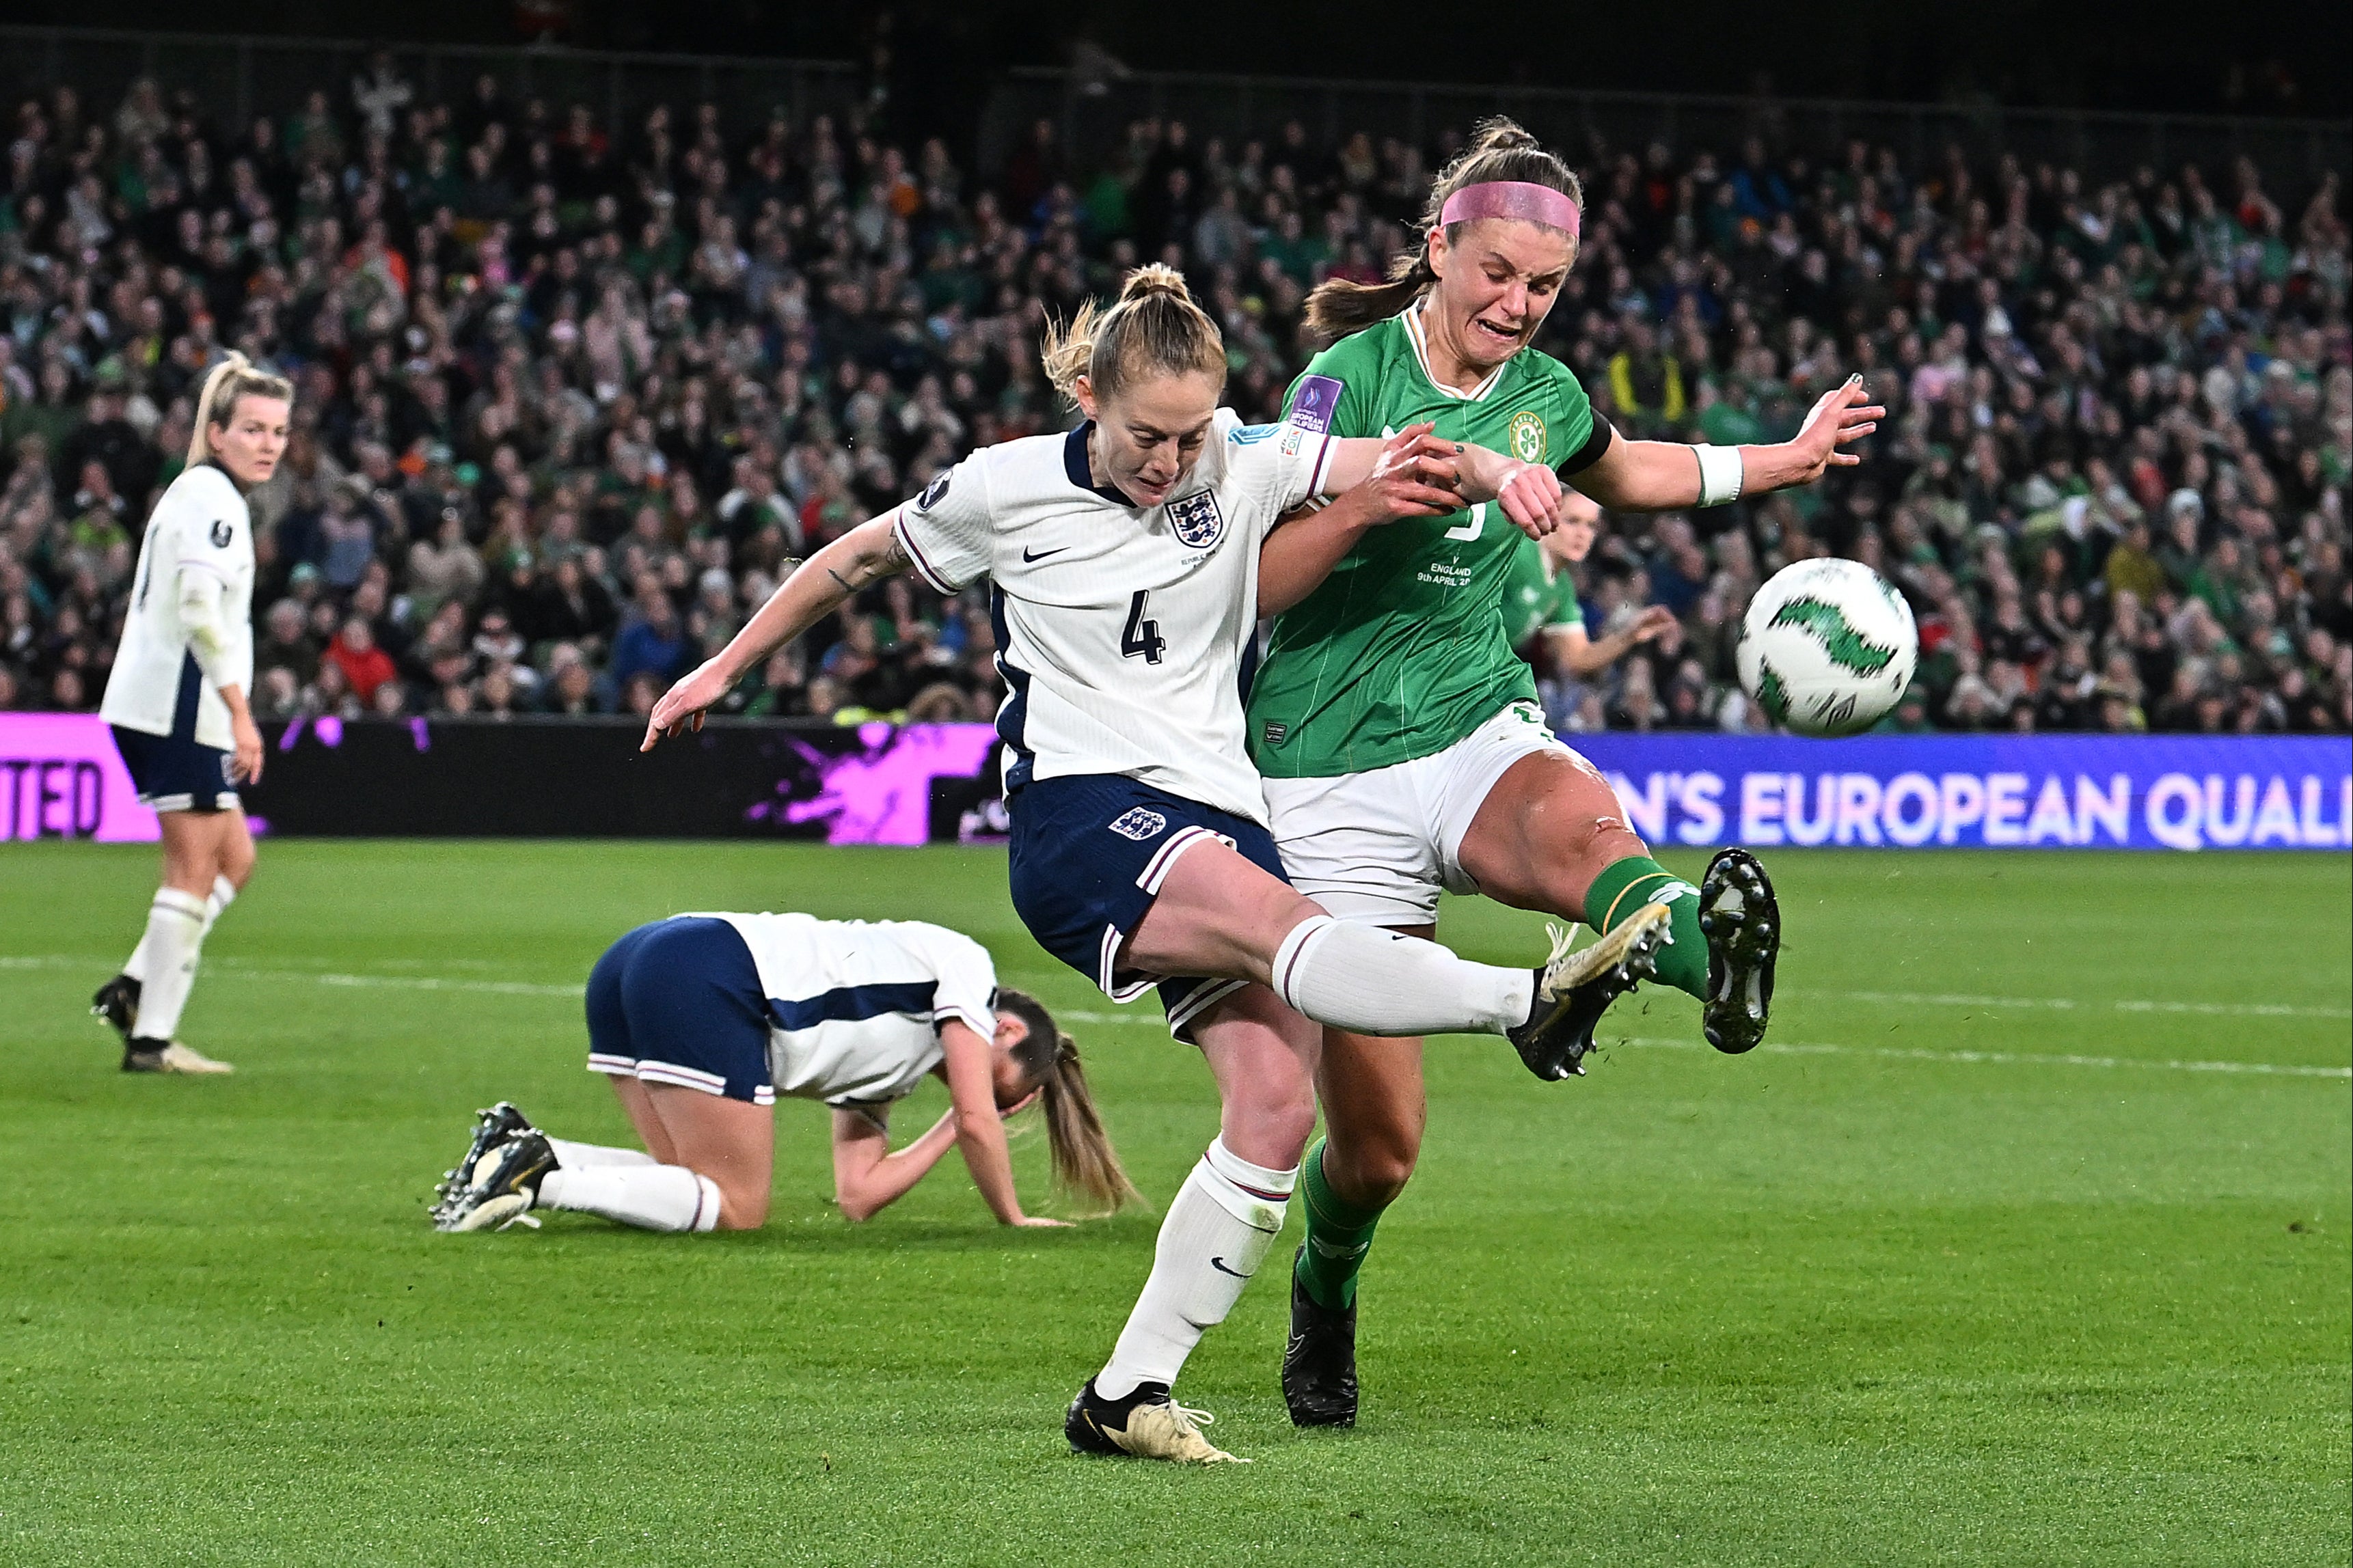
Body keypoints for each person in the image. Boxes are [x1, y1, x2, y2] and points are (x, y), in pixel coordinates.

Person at [643, 265, 1661, 1464]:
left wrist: (1503, 470)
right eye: (1145, 436)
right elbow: (854, 562)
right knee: (1293, 931)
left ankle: (1127, 1393)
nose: (1169, 462)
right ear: (1086, 394)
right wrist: (723, 667)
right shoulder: (1002, 487)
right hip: (1085, 816)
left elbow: (1404, 453)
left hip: (1216, 811)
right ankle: (1529, 1003)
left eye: (1189, 437)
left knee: (1278, 1107)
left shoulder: (1242, 457)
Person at [1249, 119, 1880, 1428]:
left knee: (1597, 840)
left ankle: (1712, 964)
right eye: (1495, 275)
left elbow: (1624, 468)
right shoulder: (1341, 383)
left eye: (1542, 287)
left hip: (1474, 719)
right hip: (1323, 777)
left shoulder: (1541, 389)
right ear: (1437, 249)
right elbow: (1254, 578)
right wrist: (1374, 500)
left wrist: (1784, 457)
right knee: (1375, 1155)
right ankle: (1325, 1290)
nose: (1516, 304)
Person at [429, 911, 1130, 1234]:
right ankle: (540, 1183)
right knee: (737, 1209)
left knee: (676, 1179)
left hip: (652, 953)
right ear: (1004, 1031)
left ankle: (521, 1152)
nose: (1003, 1107)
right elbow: (981, 1117)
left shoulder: (893, 1068)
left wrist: (954, 1121)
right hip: (710, 970)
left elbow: (858, 1196)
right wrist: (1011, 1217)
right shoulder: (970, 974)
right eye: (1019, 1091)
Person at [90, 354, 293, 1074]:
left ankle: (136, 988)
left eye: (277, 431)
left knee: (234, 859)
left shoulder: (203, 494)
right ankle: (150, 1041)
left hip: (172, 704)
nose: (267, 444)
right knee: (194, 866)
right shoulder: (211, 498)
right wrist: (240, 711)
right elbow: (199, 610)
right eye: (252, 429)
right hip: (180, 706)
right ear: (216, 432)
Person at [1499, 488, 1678, 672]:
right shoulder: (1516, 552)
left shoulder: (1562, 587)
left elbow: (1576, 658)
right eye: (1572, 521)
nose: (1582, 534)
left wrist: (1631, 634)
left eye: (1591, 525)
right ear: (1545, 517)